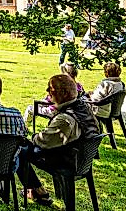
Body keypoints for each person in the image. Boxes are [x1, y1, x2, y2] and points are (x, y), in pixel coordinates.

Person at [16, 74, 100, 203]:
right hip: (81, 160)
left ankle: (39, 191)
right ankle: (36, 190)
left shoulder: (65, 119)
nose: (47, 91)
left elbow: (44, 142)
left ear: (64, 93)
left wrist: (32, 137)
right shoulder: (84, 108)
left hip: (67, 162)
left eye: (51, 88)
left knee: (19, 149)